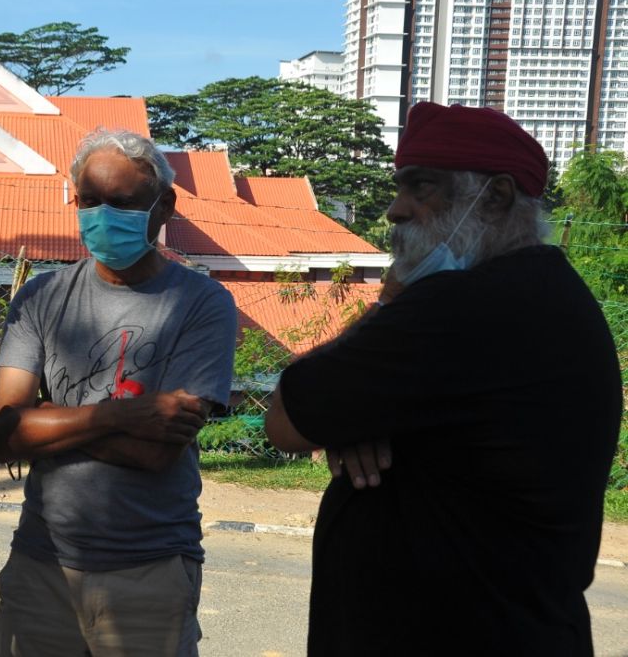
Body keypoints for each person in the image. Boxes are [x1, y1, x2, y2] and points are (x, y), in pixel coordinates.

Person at [265, 102, 622, 656]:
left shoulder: (463, 306)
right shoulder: (549, 291)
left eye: (421, 187)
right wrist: (350, 415)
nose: (394, 210)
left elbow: (286, 419)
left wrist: (389, 301)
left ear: (497, 196)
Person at [0, 129, 237, 656]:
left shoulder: (202, 304)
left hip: (148, 567)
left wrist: (49, 419)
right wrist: (118, 417)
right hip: (41, 563)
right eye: (90, 201)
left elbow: (156, 452)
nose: (102, 216)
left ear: (164, 206)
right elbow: (5, 434)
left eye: (122, 203)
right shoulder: (41, 298)